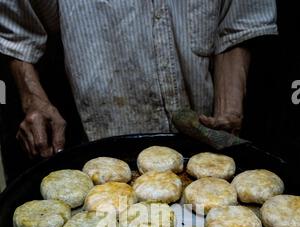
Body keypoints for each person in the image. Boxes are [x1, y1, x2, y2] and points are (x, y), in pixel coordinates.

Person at [0, 0, 277, 158]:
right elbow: (18, 26)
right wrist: (32, 98)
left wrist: (228, 110)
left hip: (203, 148)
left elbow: (238, 20)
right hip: (104, 149)